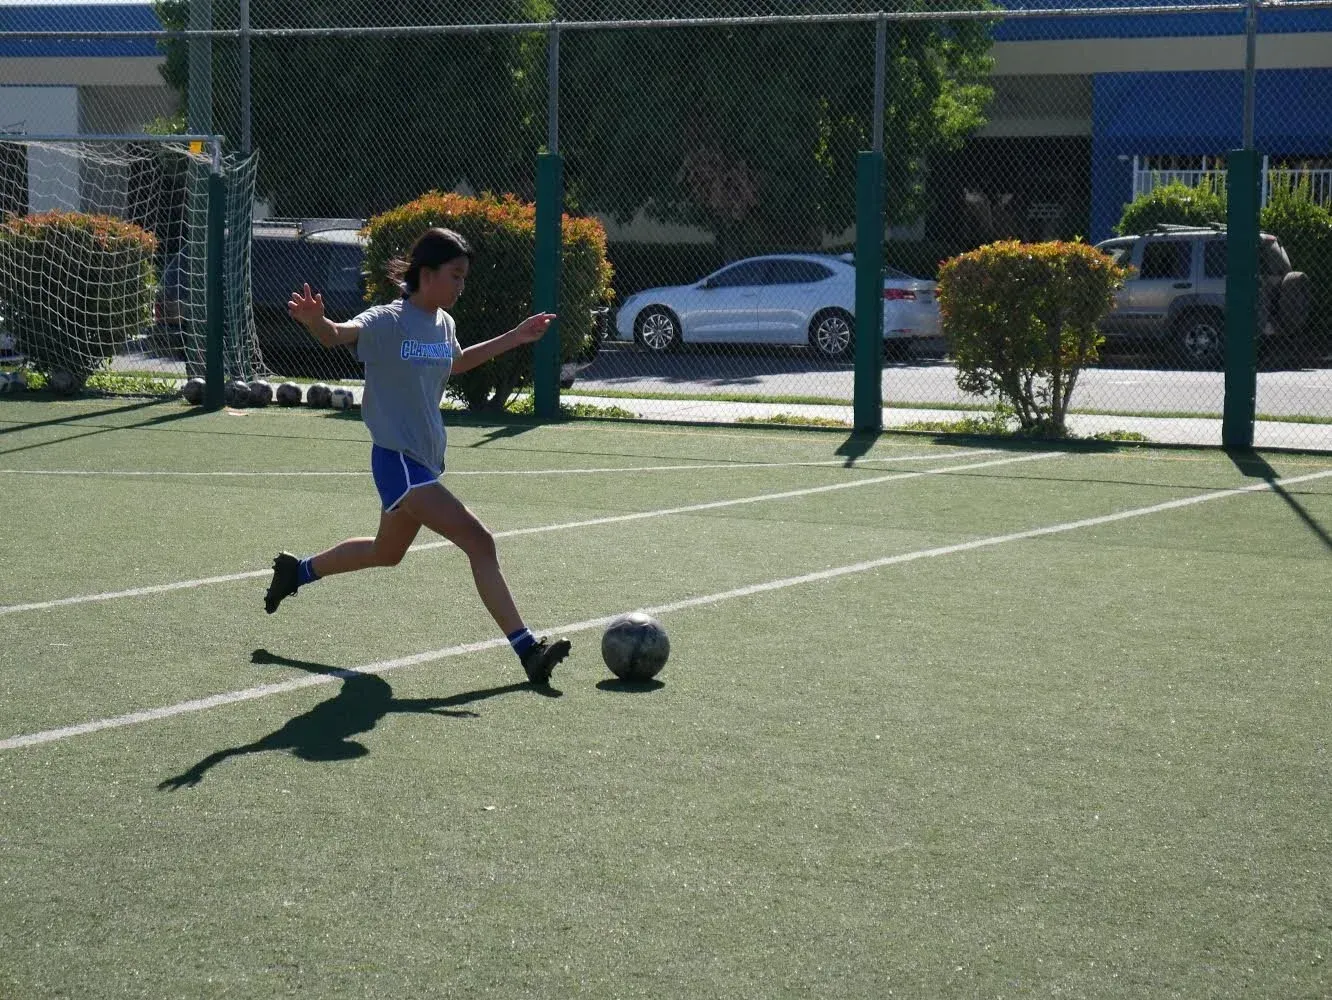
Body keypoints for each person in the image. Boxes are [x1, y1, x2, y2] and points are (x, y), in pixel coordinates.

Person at [263, 227, 571, 687]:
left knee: (386, 553)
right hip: (397, 460)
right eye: (455, 275)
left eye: (464, 277)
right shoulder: (388, 320)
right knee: (480, 541)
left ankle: (298, 570)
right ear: (426, 275)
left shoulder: (443, 324)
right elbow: (337, 335)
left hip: (423, 462)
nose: (461, 286)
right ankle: (528, 650)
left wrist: (517, 336)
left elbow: (457, 361)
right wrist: (315, 322)